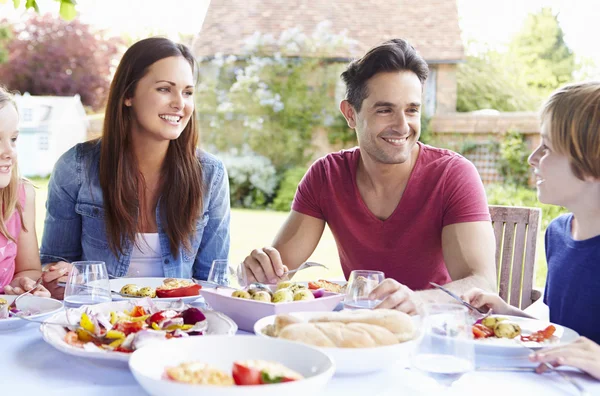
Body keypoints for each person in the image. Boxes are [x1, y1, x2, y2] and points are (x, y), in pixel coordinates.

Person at [242, 39, 497, 314]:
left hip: (435, 333)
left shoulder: (452, 175)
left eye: (412, 110)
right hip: (360, 331)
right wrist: (260, 272)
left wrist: (420, 301)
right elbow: (277, 275)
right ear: (350, 114)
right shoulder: (327, 176)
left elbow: (482, 284)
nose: (402, 126)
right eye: (385, 110)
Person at [40, 37, 230, 299]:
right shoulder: (76, 168)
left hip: (177, 330)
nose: (180, 103)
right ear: (128, 94)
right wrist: (59, 276)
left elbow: (213, 283)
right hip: (98, 327)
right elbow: (52, 271)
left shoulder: (211, 174)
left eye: (188, 92)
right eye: (165, 89)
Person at [463, 81, 600, 380]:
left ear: (592, 162)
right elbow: (564, 337)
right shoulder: (558, 235)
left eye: (547, 147)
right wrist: (507, 312)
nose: (532, 158)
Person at [0, 86, 50, 297]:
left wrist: (23, 285)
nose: (10, 151)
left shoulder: (20, 197)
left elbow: (28, 270)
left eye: (13, 139)